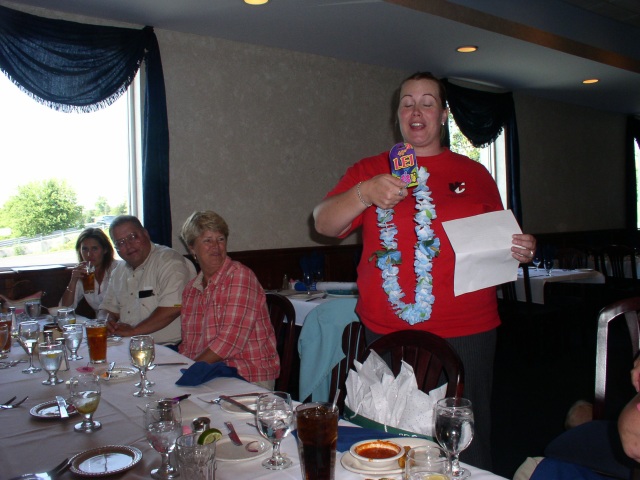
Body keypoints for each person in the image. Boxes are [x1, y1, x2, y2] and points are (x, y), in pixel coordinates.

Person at [313, 71, 537, 470]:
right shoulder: (370, 169)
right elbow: (323, 223)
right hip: (387, 331)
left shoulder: (475, 174)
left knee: (464, 442)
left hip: (468, 330)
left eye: (427, 103)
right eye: (407, 103)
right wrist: (365, 193)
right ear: (397, 114)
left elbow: (501, 237)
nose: (416, 111)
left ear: (444, 115)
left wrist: (522, 248)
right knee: (388, 438)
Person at [178, 211, 279, 390]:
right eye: (207, 240)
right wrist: (182, 369)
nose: (216, 246)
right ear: (192, 248)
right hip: (209, 372)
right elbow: (188, 344)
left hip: (247, 376)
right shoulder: (191, 290)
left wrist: (190, 371)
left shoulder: (240, 276)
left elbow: (229, 341)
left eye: (221, 239)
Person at [100, 215, 197, 346]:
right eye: (120, 243)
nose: (128, 245)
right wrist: (106, 321)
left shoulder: (170, 261)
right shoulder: (118, 271)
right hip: (128, 344)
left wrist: (134, 331)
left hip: (169, 347)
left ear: (145, 234)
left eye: (133, 237)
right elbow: (106, 309)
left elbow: (173, 308)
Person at [59, 227, 120, 315]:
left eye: (94, 249)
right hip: (99, 322)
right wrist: (73, 281)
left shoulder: (118, 269)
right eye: (85, 249)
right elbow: (64, 309)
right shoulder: (84, 273)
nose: (89, 254)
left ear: (105, 250)